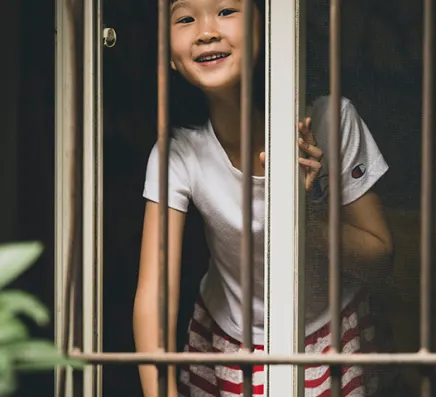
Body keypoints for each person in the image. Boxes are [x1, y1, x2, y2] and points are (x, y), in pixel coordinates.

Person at [133, 0, 394, 396]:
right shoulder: (177, 152)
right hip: (227, 339)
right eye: (185, 18)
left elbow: (381, 258)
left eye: (226, 11)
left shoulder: (332, 121)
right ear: (168, 55)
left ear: (271, 25)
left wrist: (303, 216)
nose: (206, 31)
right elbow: (154, 293)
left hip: (330, 332)